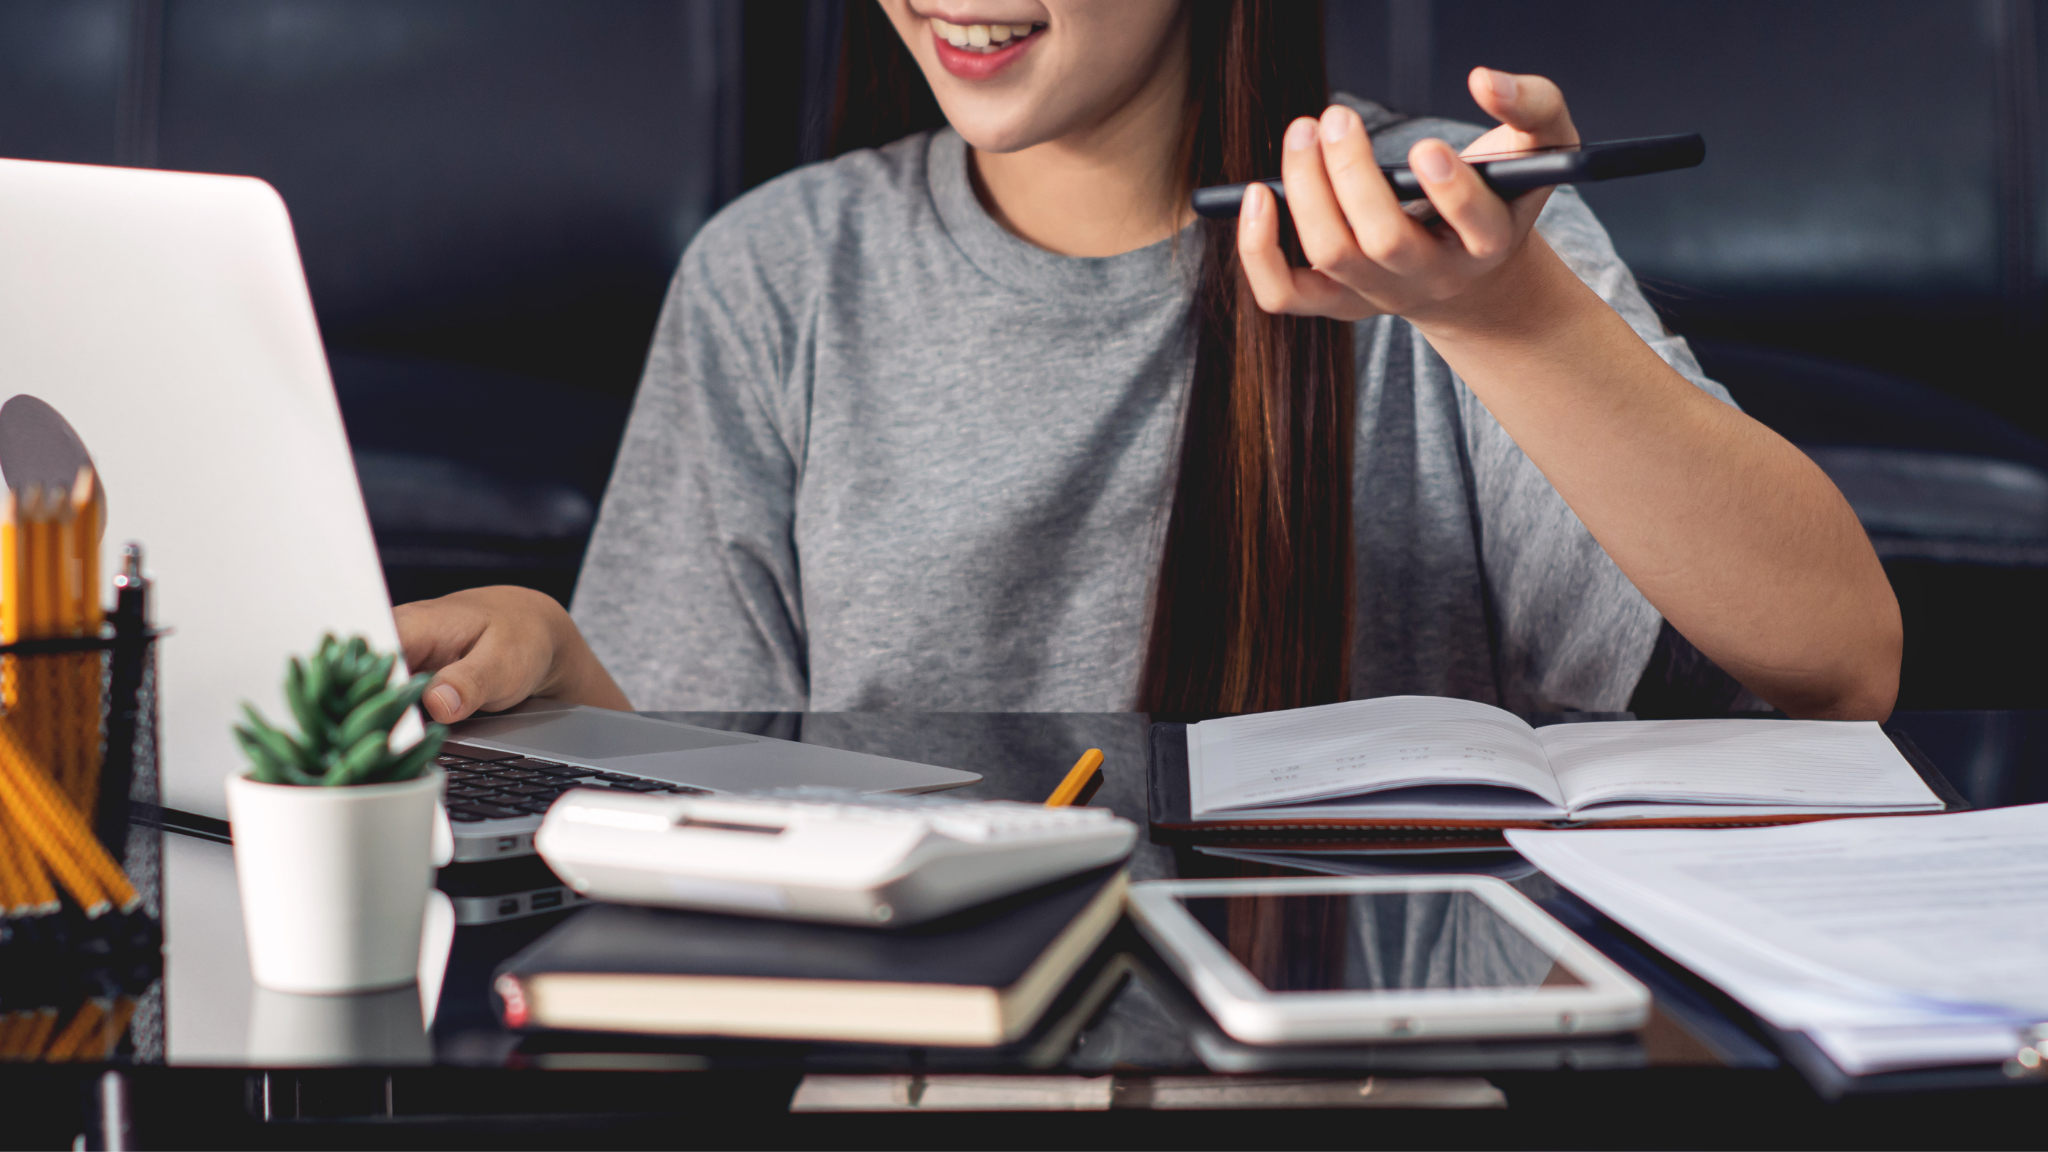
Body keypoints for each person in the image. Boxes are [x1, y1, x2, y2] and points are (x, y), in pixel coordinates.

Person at [395, 0, 1901, 724]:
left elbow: (1842, 658)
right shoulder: (776, 271)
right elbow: (693, 783)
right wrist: (552, 664)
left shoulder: (1445, 225)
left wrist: (1509, 324)